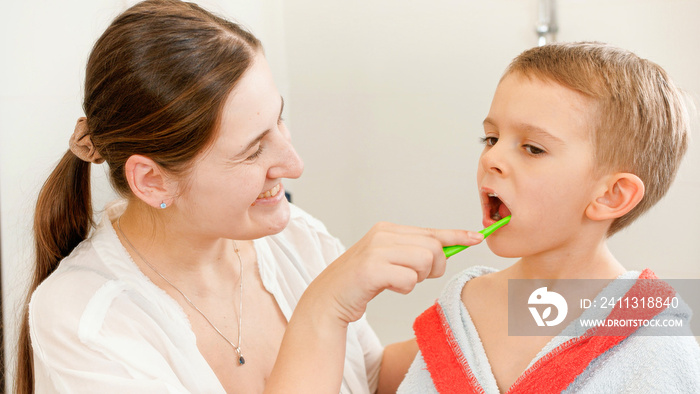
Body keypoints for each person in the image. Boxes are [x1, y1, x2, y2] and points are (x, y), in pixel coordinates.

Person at [16, 1, 486, 393]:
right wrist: (322, 309)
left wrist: (513, 303)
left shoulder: (293, 237)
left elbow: (370, 376)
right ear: (153, 181)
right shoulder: (84, 320)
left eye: (279, 120)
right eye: (253, 150)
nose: (294, 163)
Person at [397, 42, 700, 393]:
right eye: (491, 137)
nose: (491, 158)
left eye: (533, 148)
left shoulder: (654, 345)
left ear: (610, 195)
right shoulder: (461, 308)